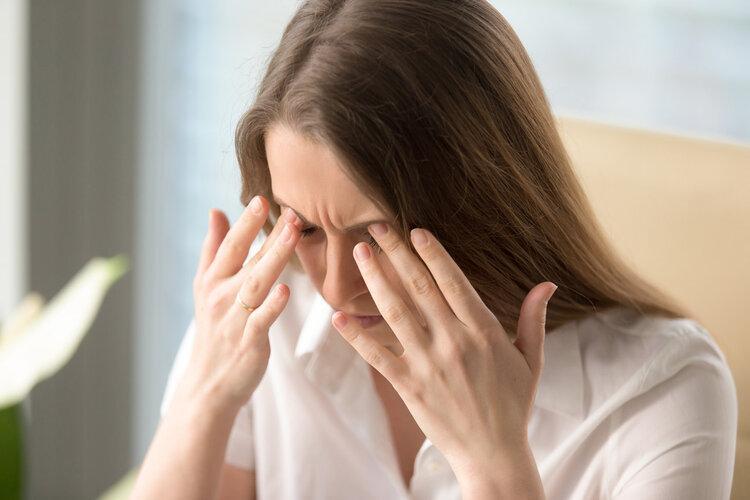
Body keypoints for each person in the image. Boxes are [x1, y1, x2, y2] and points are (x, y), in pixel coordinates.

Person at [130, 0, 738, 499]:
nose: (335, 288)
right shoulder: (260, 323)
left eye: (377, 236)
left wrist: (493, 463)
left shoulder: (662, 389)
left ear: (488, 203)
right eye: (305, 229)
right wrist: (203, 399)